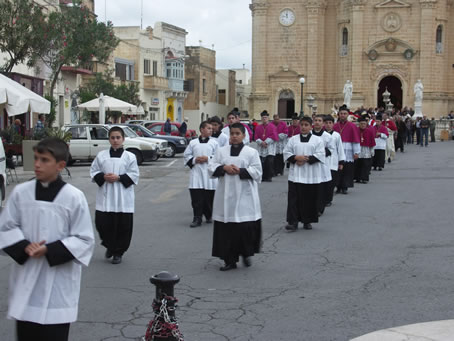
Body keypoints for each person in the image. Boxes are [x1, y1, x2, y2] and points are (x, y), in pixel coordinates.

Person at [0, 138, 94, 341]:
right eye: (35, 158)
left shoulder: (73, 197)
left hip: (57, 283)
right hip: (27, 279)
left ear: (60, 165)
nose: (37, 164)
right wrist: (25, 246)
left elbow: (84, 239)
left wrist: (49, 250)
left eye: (44, 160)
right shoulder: (21, 193)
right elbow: (6, 226)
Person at [209, 123, 262, 271]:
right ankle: (229, 260)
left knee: (244, 226)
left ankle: (246, 253)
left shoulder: (251, 152)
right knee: (227, 228)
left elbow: (258, 172)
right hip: (225, 195)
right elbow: (211, 167)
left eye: (238, 133)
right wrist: (223, 168)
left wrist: (241, 171)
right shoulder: (221, 151)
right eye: (232, 133)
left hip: (245, 194)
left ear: (244, 136)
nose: (234, 136)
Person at [90, 126, 140, 264]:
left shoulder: (130, 157)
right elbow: (94, 171)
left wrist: (118, 178)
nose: (115, 140)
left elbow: (134, 175)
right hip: (106, 195)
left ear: (123, 139)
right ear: (109, 139)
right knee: (102, 224)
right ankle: (109, 245)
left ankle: (118, 251)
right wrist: (103, 177)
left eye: (118, 137)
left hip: (123, 196)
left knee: (123, 226)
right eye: (112, 138)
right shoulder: (102, 155)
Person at [284, 116, 325, 231]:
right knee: (293, 199)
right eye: (302, 125)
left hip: (311, 174)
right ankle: (293, 222)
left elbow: (321, 154)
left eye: (306, 125)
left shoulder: (317, 140)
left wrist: (305, 159)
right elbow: (286, 152)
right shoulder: (293, 139)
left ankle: (307, 221)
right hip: (296, 174)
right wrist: (296, 158)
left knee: (309, 199)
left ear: (311, 127)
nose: (303, 127)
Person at [184, 121, 218, 228]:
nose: (211, 130)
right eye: (208, 128)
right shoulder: (193, 143)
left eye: (212, 129)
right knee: (196, 198)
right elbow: (186, 155)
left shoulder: (214, 143)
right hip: (197, 173)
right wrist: (194, 159)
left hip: (209, 174)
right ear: (202, 129)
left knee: (209, 197)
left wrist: (208, 158)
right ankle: (197, 218)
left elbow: (219, 157)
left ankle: (208, 215)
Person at [333, 105, 360, 194]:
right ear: (338, 115)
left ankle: (345, 186)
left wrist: (356, 152)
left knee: (347, 170)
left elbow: (356, 140)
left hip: (348, 149)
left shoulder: (352, 126)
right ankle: (338, 186)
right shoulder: (335, 126)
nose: (343, 115)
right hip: (337, 150)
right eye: (341, 113)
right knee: (338, 169)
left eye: (345, 114)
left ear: (348, 115)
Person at [312, 114, 334, 216]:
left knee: (320, 188)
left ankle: (319, 208)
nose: (317, 122)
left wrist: (319, 151)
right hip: (310, 165)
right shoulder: (309, 135)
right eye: (315, 120)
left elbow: (331, 150)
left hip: (322, 165)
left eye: (319, 120)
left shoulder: (327, 136)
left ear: (323, 123)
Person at [323, 115, 345, 207]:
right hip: (323, 162)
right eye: (326, 123)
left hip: (333, 162)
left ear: (333, 124)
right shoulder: (321, 135)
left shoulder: (336, 135)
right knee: (323, 182)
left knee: (331, 182)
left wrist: (341, 161)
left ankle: (328, 199)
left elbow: (340, 148)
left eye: (330, 123)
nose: (328, 125)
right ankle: (322, 198)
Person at [254, 111, 279, 182]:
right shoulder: (258, 127)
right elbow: (256, 136)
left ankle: (269, 177)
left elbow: (274, 136)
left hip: (269, 147)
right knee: (261, 163)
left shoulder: (272, 126)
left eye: (266, 117)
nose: (264, 119)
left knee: (269, 162)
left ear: (268, 118)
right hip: (261, 147)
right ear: (261, 118)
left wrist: (266, 142)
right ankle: (262, 176)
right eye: (263, 117)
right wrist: (261, 142)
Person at [354, 117, 375, 183]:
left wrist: (372, 150)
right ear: (359, 124)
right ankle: (357, 178)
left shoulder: (369, 131)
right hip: (358, 148)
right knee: (357, 164)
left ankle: (364, 178)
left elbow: (372, 141)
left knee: (365, 165)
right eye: (361, 124)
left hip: (366, 150)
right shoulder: (356, 130)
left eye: (364, 124)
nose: (363, 125)